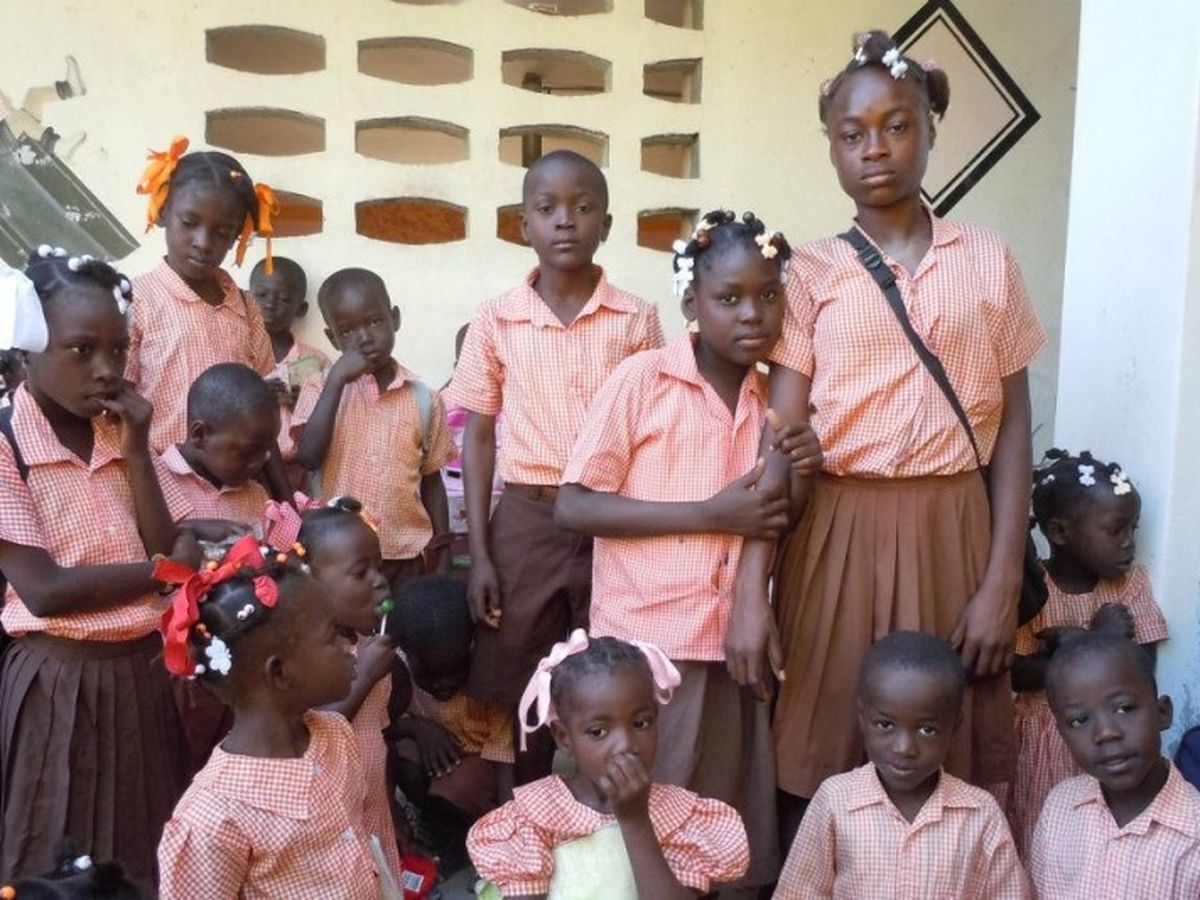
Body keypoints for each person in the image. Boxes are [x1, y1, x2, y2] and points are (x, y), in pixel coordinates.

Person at [739, 31, 1047, 843]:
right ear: (832, 147)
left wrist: (1000, 581)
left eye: (896, 126)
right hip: (835, 530)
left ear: (931, 128)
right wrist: (751, 591)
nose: (874, 148)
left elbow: (1014, 427)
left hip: (956, 525)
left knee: (948, 746)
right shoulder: (809, 272)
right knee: (825, 738)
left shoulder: (989, 260)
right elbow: (780, 437)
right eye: (852, 133)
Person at [556, 210, 820, 886]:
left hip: (733, 642)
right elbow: (575, 504)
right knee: (646, 818)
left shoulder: (776, 398)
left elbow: (779, 517)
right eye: (728, 297)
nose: (752, 314)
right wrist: (706, 514)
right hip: (649, 647)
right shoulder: (642, 381)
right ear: (691, 303)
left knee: (721, 827)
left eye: (768, 295)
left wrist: (805, 469)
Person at [445, 149, 664, 783]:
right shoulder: (497, 318)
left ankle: (610, 807)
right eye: (547, 209)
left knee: (614, 668)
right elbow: (478, 436)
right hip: (527, 517)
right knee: (519, 673)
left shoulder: (637, 318)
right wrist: (480, 553)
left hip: (611, 520)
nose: (565, 220)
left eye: (583, 207)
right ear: (524, 225)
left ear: (607, 224)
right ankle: (527, 808)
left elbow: (654, 427)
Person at [0, 247, 199, 884]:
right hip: (60, 683)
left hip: (142, 675)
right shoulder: (7, 440)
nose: (107, 370)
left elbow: (160, 540)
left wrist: (138, 450)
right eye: (81, 350)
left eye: (118, 349)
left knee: (144, 851)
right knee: (55, 856)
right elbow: (44, 590)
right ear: (28, 349)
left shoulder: (119, 431)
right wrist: (159, 573)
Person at [155, 538, 380, 899]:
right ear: (279, 673)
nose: (347, 646)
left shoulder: (335, 734)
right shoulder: (214, 817)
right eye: (331, 637)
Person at [467, 632, 749, 898]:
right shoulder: (536, 817)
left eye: (641, 723)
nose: (625, 744)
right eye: (599, 732)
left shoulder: (677, 818)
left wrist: (635, 820)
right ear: (564, 738)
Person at [774, 631, 1029, 899]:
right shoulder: (835, 800)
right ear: (863, 720)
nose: (904, 748)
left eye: (927, 730)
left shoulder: (980, 814)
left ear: (954, 727)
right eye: (885, 725)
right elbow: (799, 893)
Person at [1009, 450, 1168, 855]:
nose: (1129, 542)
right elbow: (1016, 673)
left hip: (1112, 738)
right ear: (1060, 532)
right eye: (1115, 530)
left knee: (1100, 840)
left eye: (1133, 528)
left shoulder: (1130, 587)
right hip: (1040, 745)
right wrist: (1097, 640)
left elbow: (1142, 672)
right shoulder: (1033, 590)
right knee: (1042, 838)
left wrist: (1078, 644)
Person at [293, 268, 456, 592]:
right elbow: (308, 457)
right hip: (339, 558)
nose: (364, 338)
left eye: (374, 322)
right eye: (347, 331)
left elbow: (432, 480)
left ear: (394, 318)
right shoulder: (318, 389)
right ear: (332, 339)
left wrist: (442, 547)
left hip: (405, 555)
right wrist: (336, 381)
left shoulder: (424, 399)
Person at [159, 362, 282, 771]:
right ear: (200, 435)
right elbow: (148, 549)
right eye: (248, 451)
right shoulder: (156, 482)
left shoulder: (254, 495)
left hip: (244, 667)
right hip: (180, 668)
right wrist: (191, 529)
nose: (259, 462)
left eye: (266, 451)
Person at [126, 136, 278, 462]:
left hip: (236, 479)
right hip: (159, 478)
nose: (203, 242)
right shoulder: (135, 301)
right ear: (163, 211)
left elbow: (262, 399)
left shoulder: (245, 306)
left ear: (237, 236)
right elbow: (118, 408)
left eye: (222, 233)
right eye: (189, 223)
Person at [1030, 633, 1200, 898]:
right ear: (1062, 734)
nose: (1105, 733)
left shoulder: (1193, 835)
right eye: (1079, 720)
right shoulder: (1060, 806)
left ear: (1162, 713)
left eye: (1124, 708)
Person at [298, 497, 403, 880]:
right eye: (361, 573)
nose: (380, 580)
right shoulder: (302, 656)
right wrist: (366, 675)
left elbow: (379, 739)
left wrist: (393, 813)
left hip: (372, 809)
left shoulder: (366, 646)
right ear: (311, 583)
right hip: (333, 822)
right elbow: (314, 731)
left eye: (379, 567)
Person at [388, 575, 515, 871]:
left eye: (455, 672)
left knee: (455, 789)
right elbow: (381, 727)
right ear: (406, 656)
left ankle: (466, 835)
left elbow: (504, 759)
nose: (442, 684)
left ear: (472, 651)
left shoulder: (488, 682)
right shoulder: (399, 671)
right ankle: (435, 818)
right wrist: (418, 728)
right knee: (401, 756)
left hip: (480, 767)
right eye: (428, 676)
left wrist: (511, 824)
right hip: (436, 762)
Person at [248, 256, 329, 491]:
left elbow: (330, 419)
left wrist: (301, 403)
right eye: (261, 295)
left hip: (300, 472)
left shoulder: (313, 361)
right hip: (247, 469)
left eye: (283, 299)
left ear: (301, 309)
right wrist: (256, 395)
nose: (270, 304)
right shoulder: (237, 354)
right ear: (247, 300)